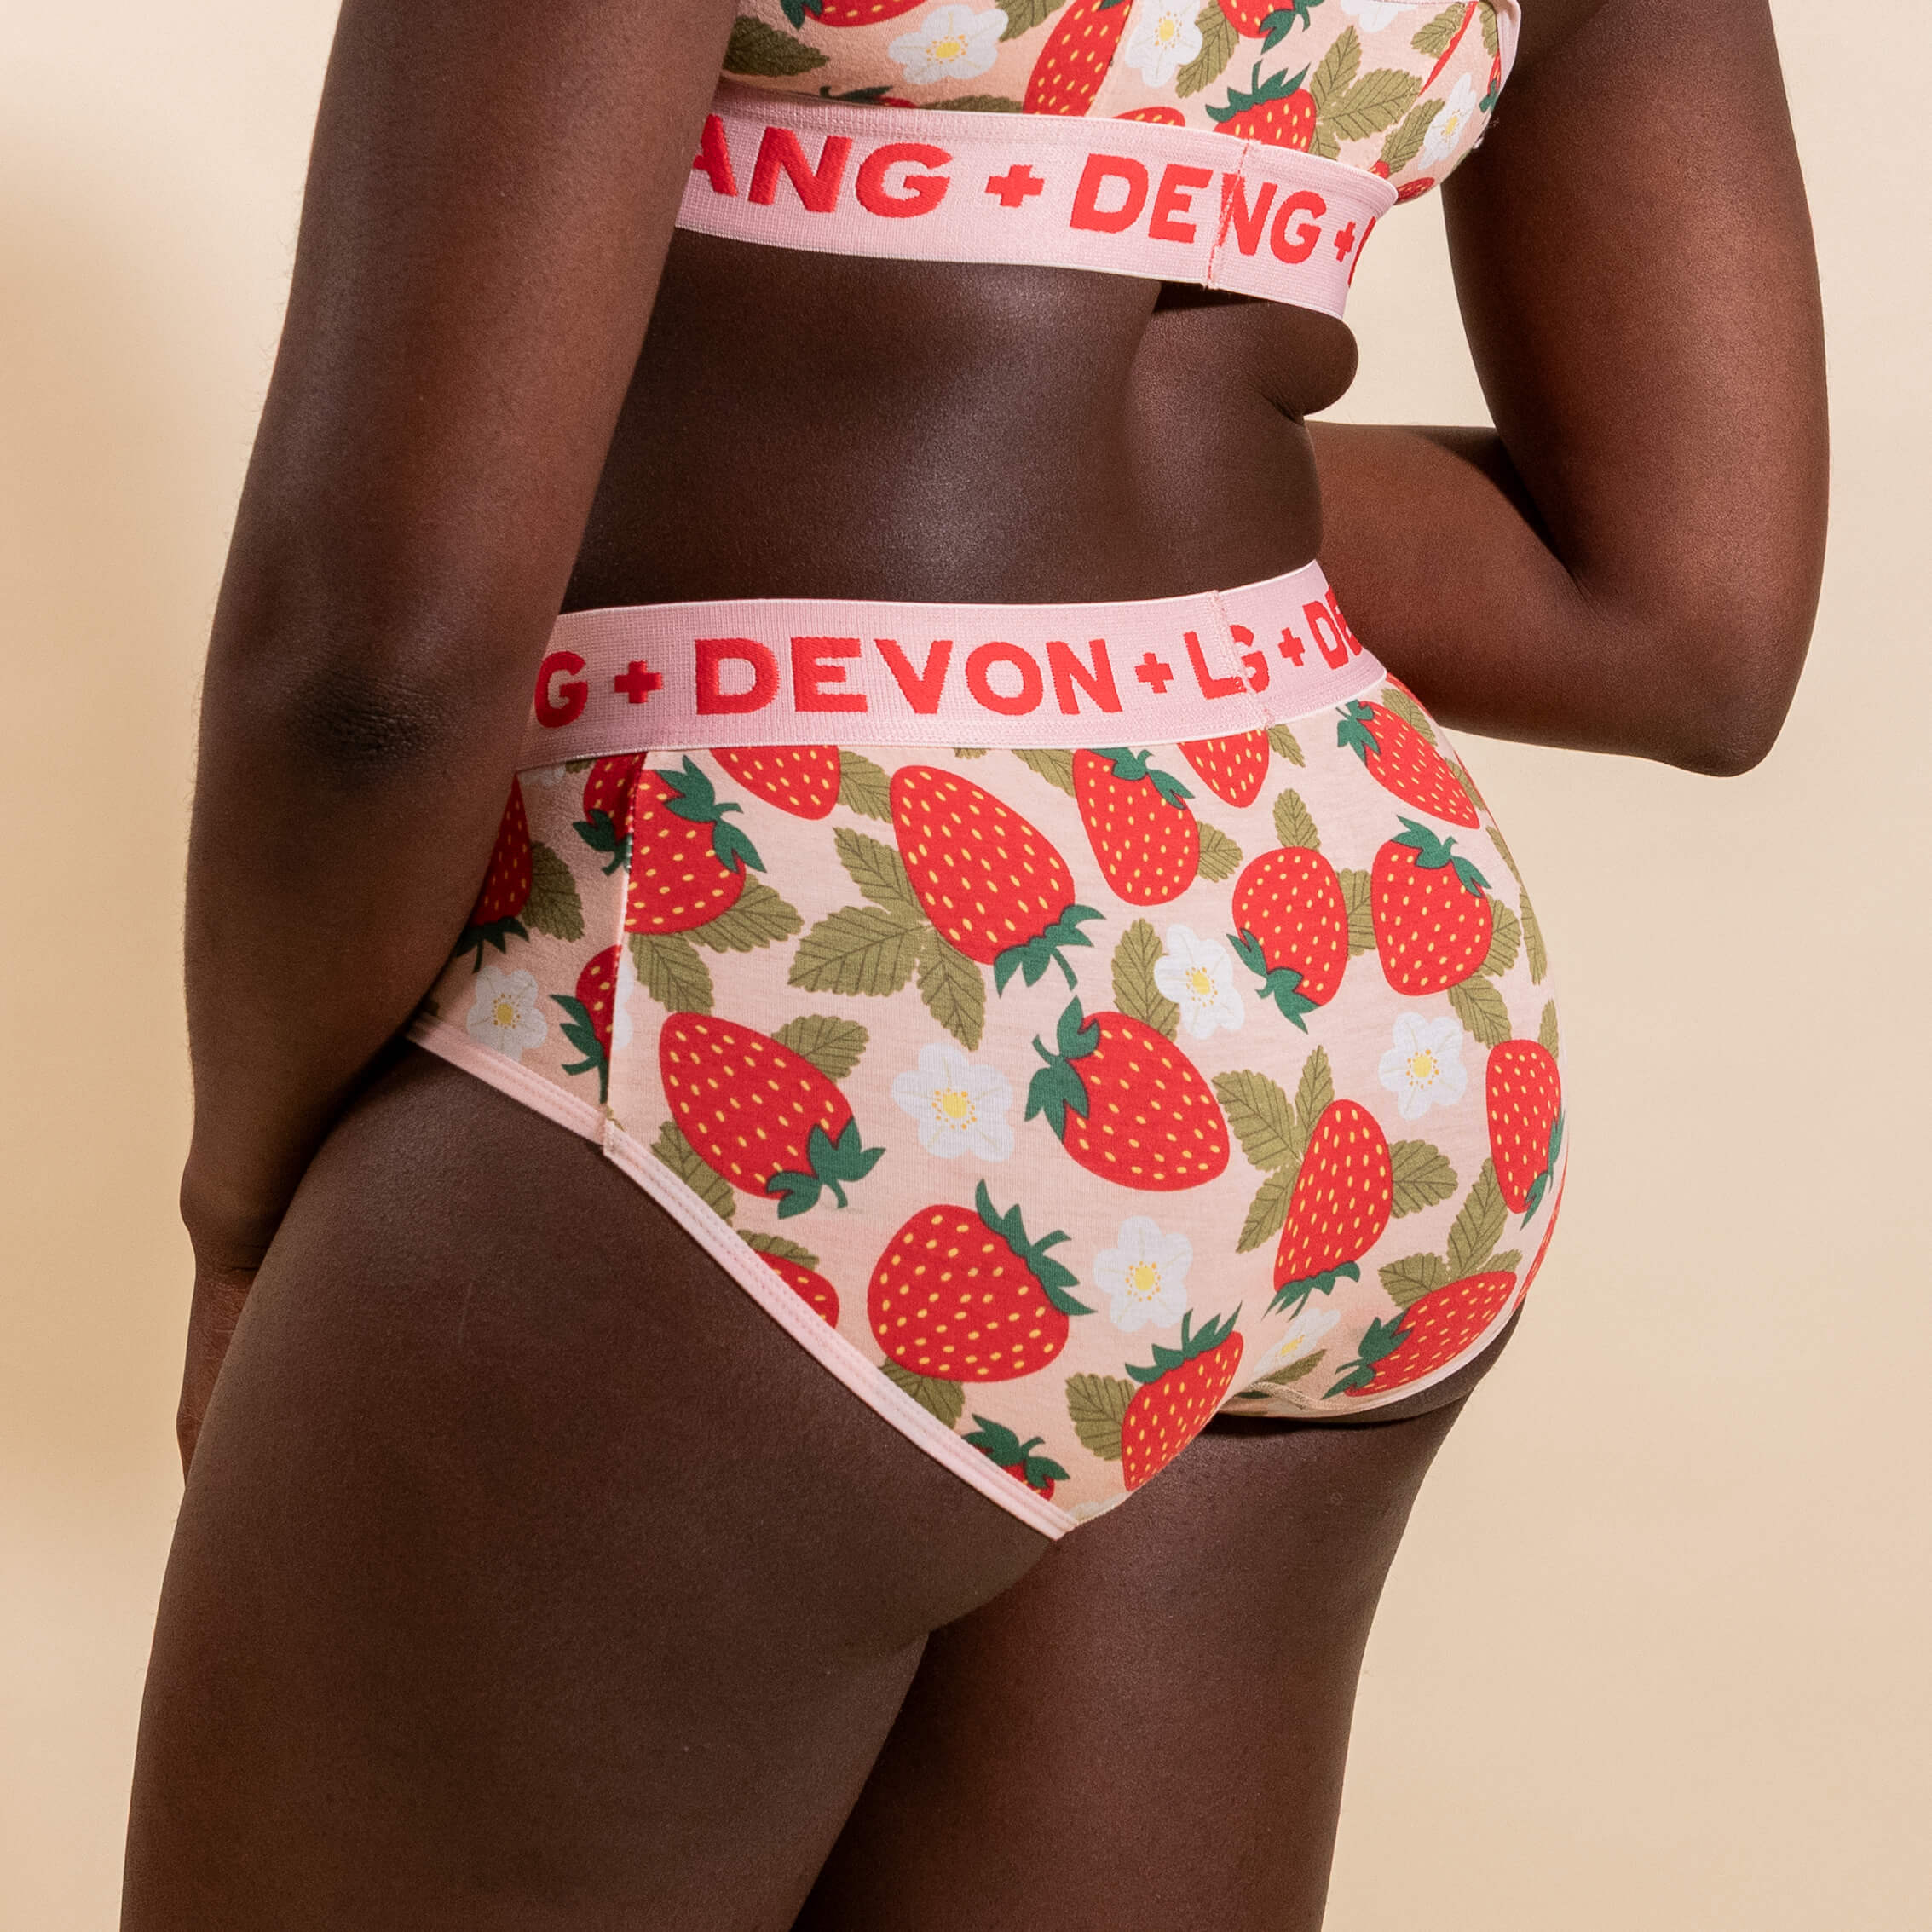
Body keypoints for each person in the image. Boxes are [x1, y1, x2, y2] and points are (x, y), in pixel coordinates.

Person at [124, 0, 1825, 1923]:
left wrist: (241, 1208)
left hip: (781, 944)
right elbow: (1681, 621)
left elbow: (377, 667)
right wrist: (1152, 422)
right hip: (1359, 953)